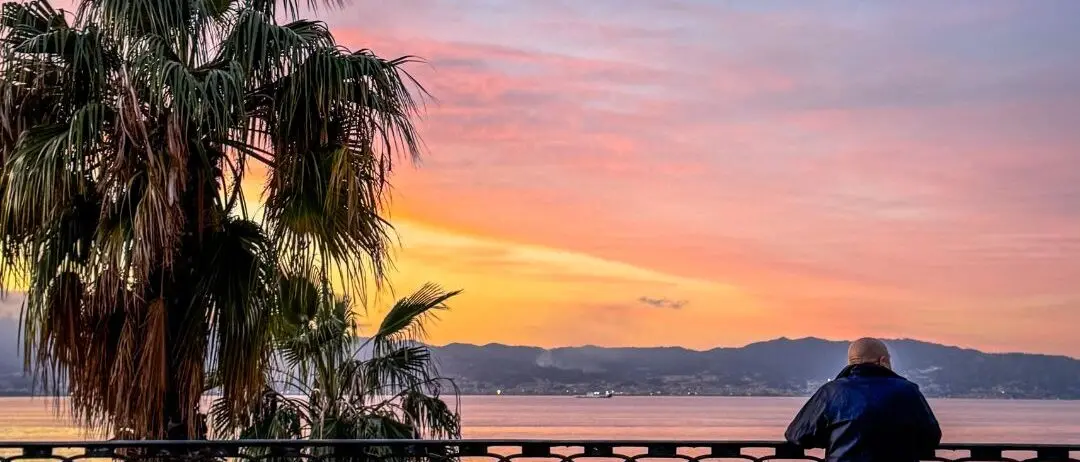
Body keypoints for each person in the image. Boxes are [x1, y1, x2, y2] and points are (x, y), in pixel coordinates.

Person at [784, 338, 941, 462]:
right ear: (883, 360)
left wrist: (833, 438)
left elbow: (798, 435)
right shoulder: (908, 390)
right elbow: (931, 438)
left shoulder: (831, 391)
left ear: (851, 362)